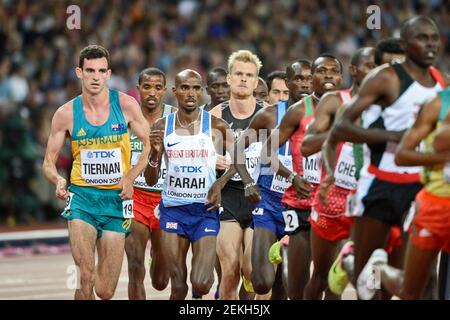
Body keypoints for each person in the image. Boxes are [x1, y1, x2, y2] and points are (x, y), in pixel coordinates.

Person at [327, 16, 445, 299]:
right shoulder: (386, 77)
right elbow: (342, 126)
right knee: (363, 281)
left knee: (419, 280)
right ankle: (348, 259)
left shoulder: (442, 84)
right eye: (422, 38)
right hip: (379, 182)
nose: (430, 44)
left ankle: (379, 269)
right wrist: (394, 136)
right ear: (405, 44)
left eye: (434, 38)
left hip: (418, 186)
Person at [42, 45, 150, 300]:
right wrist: (57, 178)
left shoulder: (126, 105)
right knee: (86, 275)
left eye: (101, 71)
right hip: (82, 200)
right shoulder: (65, 114)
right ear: (79, 72)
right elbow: (48, 161)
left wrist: (130, 177)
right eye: (89, 70)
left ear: (109, 73)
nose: (95, 76)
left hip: (116, 201)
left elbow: (148, 147)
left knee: (104, 290)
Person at [144, 69, 233, 300]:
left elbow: (239, 162)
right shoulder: (162, 126)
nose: (191, 93)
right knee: (179, 286)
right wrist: (154, 155)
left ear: (201, 91)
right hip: (173, 211)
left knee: (201, 283)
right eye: (185, 88)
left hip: (204, 211)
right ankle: (158, 254)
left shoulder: (218, 126)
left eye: (195, 88)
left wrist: (220, 184)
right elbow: (151, 178)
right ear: (175, 92)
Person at [261, 53, 343, 299]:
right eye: (321, 71)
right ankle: (287, 244)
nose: (327, 75)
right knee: (296, 287)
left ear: (342, 77)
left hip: (334, 206)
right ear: (313, 77)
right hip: (300, 205)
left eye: (333, 71)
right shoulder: (298, 111)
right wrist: (292, 178)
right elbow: (267, 150)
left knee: (330, 284)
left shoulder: (352, 108)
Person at [357, 86, 449, 300]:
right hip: (434, 205)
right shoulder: (439, 103)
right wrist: (442, 159)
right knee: (413, 291)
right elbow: (407, 153)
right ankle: (379, 266)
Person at [300, 48, 376, 299]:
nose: (375, 71)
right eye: (368, 65)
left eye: (378, 66)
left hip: (366, 201)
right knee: (320, 277)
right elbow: (307, 145)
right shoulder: (335, 101)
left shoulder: (387, 104)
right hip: (331, 198)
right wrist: (339, 131)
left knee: (367, 278)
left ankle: (347, 260)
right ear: (353, 70)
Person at [210, 50, 266, 299]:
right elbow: (203, 159)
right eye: (239, 74)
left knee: (253, 271)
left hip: (260, 195)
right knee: (229, 270)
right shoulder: (215, 116)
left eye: (249, 75)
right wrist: (214, 161)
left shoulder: (270, 115)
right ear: (229, 79)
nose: (243, 79)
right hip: (229, 196)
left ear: (256, 82)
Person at [125, 67, 175, 299]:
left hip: (167, 201)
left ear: (164, 91)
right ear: (139, 89)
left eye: (157, 87)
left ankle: (156, 252)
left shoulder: (176, 118)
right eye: (147, 87)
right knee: (135, 266)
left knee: (161, 281)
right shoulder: (126, 118)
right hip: (134, 198)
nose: (152, 92)